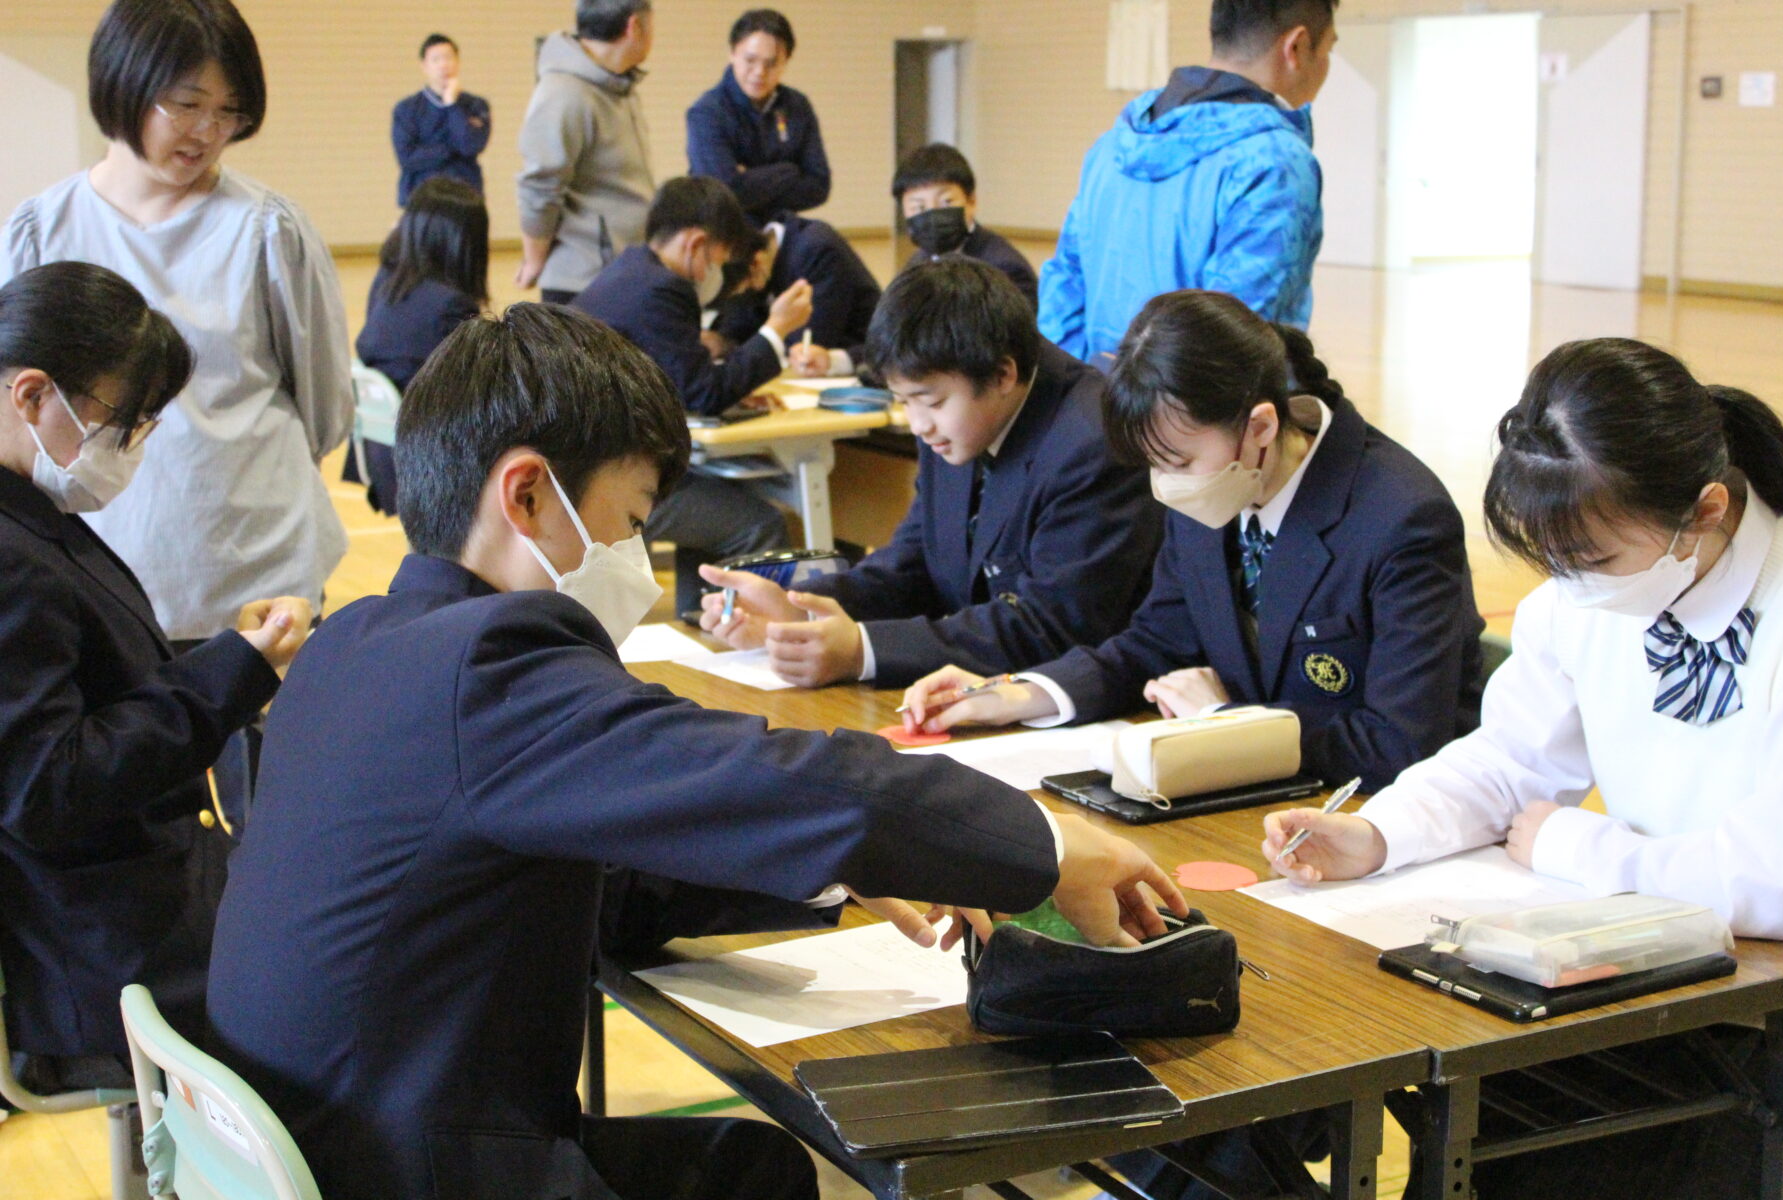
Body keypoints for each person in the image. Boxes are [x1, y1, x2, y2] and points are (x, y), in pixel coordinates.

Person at [204, 302, 1187, 1200]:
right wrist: (1047, 849)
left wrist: (833, 879)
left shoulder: (351, 643)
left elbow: (605, 883)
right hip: (412, 1165)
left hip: (317, 1139)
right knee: (758, 1173)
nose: (634, 558)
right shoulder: (490, 666)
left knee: (745, 1164)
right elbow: (771, 771)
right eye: (630, 522)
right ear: (528, 496)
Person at [1261, 337, 1783, 1199]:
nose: (1565, 587)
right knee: (1465, 1098)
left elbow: (1780, 880)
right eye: (1552, 562)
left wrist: (1577, 847)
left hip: (1753, 1008)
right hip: (1634, 969)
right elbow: (1510, 760)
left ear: (1701, 510)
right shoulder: (1606, 587)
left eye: (1588, 561)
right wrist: (1376, 833)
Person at [904, 290, 1484, 796]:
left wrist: (1226, 720)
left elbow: (1398, 743)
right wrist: (1016, 695)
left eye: (1178, 462)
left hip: (1376, 820)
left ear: (1260, 428)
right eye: (1155, 465)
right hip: (1265, 800)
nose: (1166, 486)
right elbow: (1158, 640)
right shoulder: (1218, 485)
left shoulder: (1400, 519)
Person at [0, 262, 309, 1097]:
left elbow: (93, 672)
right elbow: (47, 785)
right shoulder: (12, 554)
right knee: (349, 988)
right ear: (33, 396)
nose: (129, 445)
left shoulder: (34, 516)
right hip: (102, 948)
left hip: (132, 895)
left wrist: (228, 654)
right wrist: (231, 675)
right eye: (120, 422)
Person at [1, 0, 353, 644]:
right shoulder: (38, 232)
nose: (206, 130)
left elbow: (327, 409)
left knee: (274, 743)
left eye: (229, 110)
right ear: (123, 84)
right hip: (98, 576)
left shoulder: (268, 230)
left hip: (261, 572)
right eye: (186, 104)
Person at [699, 258, 1163, 689]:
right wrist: (801, 606)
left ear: (1003, 374)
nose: (919, 426)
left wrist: (864, 651)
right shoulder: (963, 423)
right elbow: (915, 562)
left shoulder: (1094, 440)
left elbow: (1051, 626)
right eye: (904, 402)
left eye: (932, 402)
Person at [574, 176, 824, 614]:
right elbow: (702, 392)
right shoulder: (663, 289)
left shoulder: (626, 271)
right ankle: (746, 643)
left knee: (713, 504)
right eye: (721, 259)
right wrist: (776, 328)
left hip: (589, 466)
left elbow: (684, 379)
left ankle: (700, 625)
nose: (719, 273)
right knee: (759, 524)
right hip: (612, 480)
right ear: (696, 244)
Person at [1037, 0, 1337, 364]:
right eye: (1328, 49)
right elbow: (1240, 339)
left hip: (1099, 400)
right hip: (1193, 416)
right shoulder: (1274, 161)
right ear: (1297, 47)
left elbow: (1063, 287)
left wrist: (1083, 394)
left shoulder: (1113, 145)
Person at [348, 177, 487, 515]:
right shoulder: (450, 305)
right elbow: (470, 396)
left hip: (381, 454)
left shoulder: (386, 284)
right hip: (426, 464)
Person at [516, 0, 655, 304]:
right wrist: (535, 259)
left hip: (624, 270)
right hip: (583, 281)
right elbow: (539, 185)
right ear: (635, 27)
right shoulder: (563, 92)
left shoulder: (618, 84)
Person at [686, 9, 829, 222]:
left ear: (786, 61)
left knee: (824, 243)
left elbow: (819, 186)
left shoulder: (797, 106)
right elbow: (723, 195)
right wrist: (788, 171)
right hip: (724, 234)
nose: (759, 72)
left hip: (781, 227)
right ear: (732, 53)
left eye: (771, 63)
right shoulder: (707, 113)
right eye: (750, 60)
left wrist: (748, 178)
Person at [713, 209, 880, 371]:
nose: (751, 292)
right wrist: (722, 341)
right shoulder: (756, 256)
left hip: (865, 362)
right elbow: (741, 325)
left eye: (747, 288)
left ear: (756, 263)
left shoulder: (816, 250)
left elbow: (804, 345)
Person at [893, 143, 1038, 311]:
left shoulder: (1004, 268)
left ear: (971, 201)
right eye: (919, 208)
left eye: (946, 202)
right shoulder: (917, 262)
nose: (933, 215)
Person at [390, 32, 490, 206]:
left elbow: (469, 146)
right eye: (436, 60)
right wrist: (450, 149)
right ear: (424, 66)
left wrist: (451, 105)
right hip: (420, 198)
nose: (444, 65)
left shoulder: (476, 105)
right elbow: (407, 157)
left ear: (458, 62)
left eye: (449, 58)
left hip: (465, 198)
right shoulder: (407, 109)